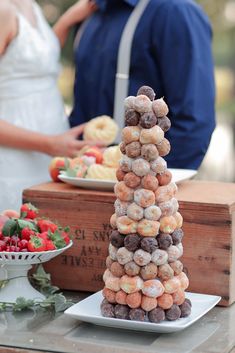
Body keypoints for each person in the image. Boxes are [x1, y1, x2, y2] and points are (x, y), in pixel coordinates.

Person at [69, 0, 216, 170]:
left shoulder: (175, 10)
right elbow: (81, 105)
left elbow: (194, 119)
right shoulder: (90, 16)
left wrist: (150, 183)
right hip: (83, 179)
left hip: (144, 187)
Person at [0, 0, 97, 212]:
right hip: (14, 158)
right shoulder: (3, 11)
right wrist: (49, 144)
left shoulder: (30, 6)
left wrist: (65, 21)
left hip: (50, 155)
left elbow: (35, 58)